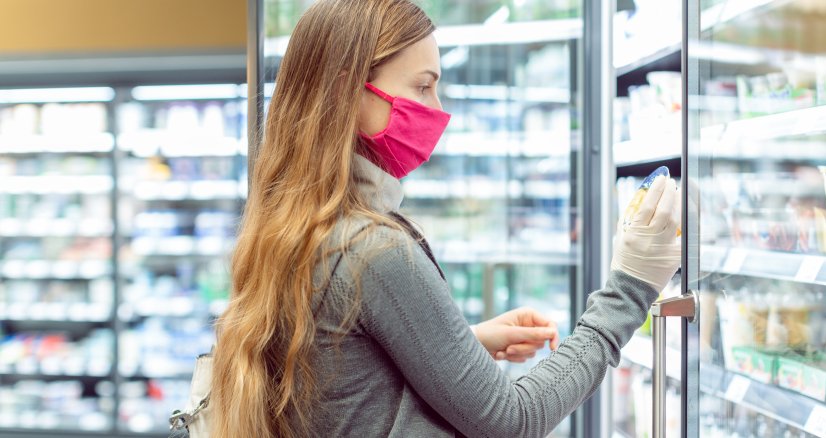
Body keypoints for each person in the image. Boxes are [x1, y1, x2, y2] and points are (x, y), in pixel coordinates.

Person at [210, 0, 681, 437]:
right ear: (346, 93)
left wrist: (459, 345)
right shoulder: (373, 250)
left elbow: (338, 370)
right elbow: (511, 420)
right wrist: (630, 288)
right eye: (422, 86)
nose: (437, 109)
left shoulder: (293, 227)